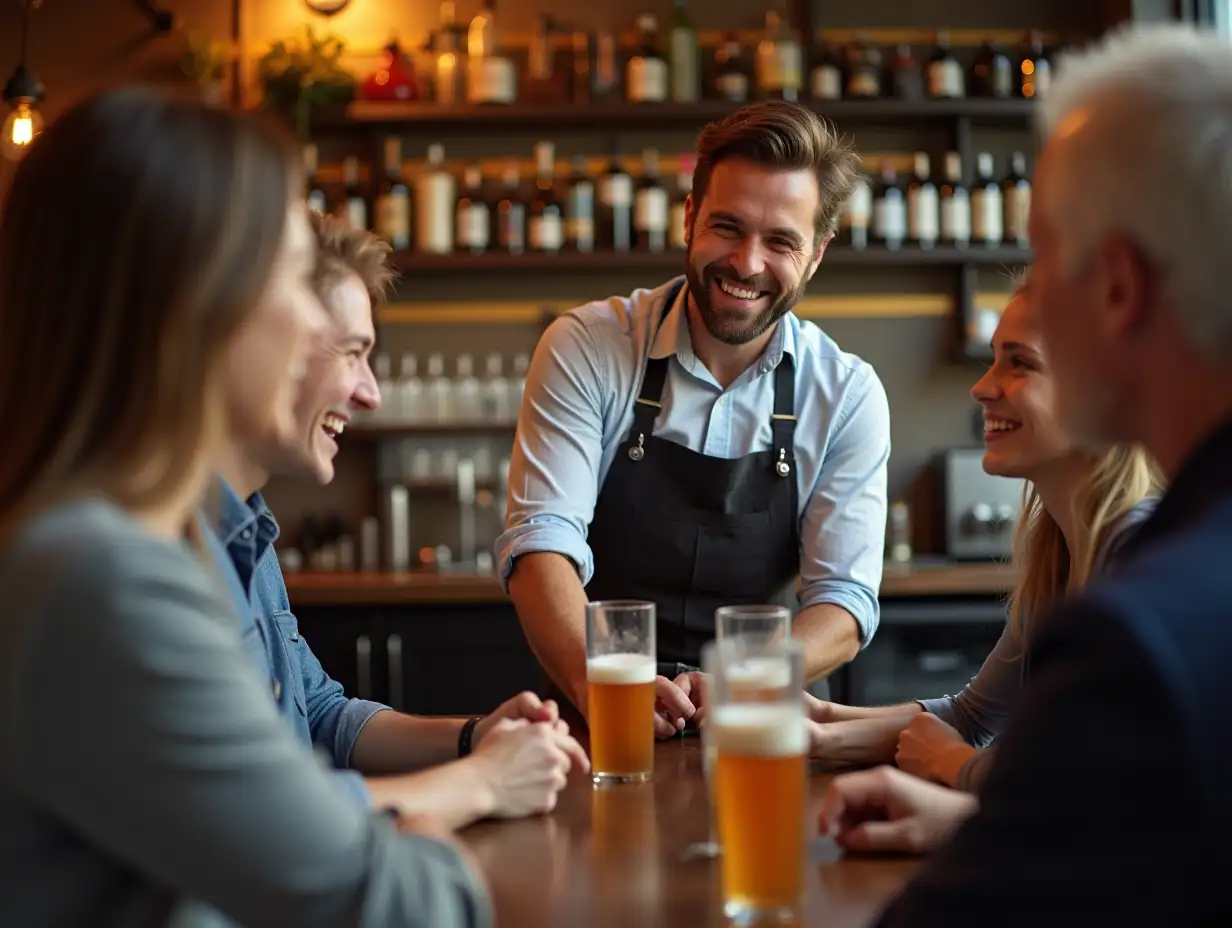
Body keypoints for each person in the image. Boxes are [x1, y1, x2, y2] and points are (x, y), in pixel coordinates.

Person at [0, 88, 491, 927]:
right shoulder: (105, 579)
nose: (311, 323)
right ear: (196, 301)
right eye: (290, 277)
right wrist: (431, 821)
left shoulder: (109, 541)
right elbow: (406, 904)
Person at [819, 23, 1232, 925]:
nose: (987, 379)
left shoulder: (1147, 632)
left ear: (1117, 289)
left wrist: (975, 802)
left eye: (1047, 261)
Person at [497, 100, 892, 736]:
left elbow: (843, 602)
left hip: (754, 724)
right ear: (689, 218)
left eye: (781, 241)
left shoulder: (846, 394)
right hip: (590, 714)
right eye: (728, 228)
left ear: (817, 254)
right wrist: (600, 684)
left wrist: (746, 675)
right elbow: (542, 539)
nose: (746, 263)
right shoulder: (588, 346)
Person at [206, 209, 587, 829]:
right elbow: (253, 818)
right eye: (353, 353)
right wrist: (482, 781)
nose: (371, 393)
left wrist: (475, 736)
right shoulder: (162, 551)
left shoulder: (250, 529)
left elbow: (324, 714)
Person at [807, 273, 1160, 790]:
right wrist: (820, 726)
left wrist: (955, 765)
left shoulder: (1140, 554)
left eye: (1020, 363)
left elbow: (1096, 777)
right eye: (994, 357)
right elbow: (969, 718)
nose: (981, 386)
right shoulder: (1058, 552)